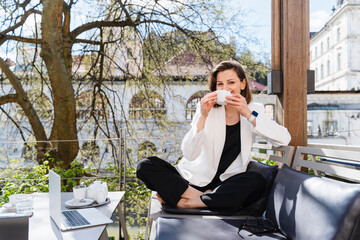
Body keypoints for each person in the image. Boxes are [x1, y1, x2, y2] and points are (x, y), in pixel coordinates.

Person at [136, 60, 291, 212]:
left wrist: (249, 115)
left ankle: (186, 202)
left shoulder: (254, 109)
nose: (226, 88)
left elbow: (284, 139)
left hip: (225, 184)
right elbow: (189, 154)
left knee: (255, 181)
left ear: (243, 84)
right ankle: (203, 199)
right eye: (220, 84)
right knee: (146, 165)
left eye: (231, 83)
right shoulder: (206, 109)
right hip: (192, 181)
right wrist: (203, 116)